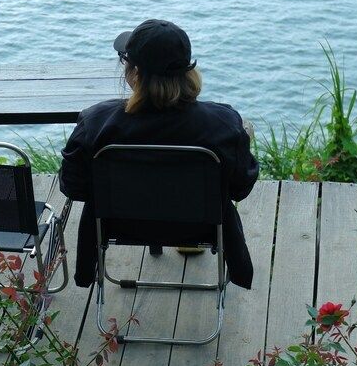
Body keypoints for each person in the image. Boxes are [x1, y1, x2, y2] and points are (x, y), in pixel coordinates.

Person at [59, 19, 260, 289]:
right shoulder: (222, 125)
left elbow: (73, 187)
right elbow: (240, 187)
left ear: (134, 72)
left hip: (119, 226)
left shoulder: (96, 122)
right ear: (187, 71)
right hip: (202, 227)